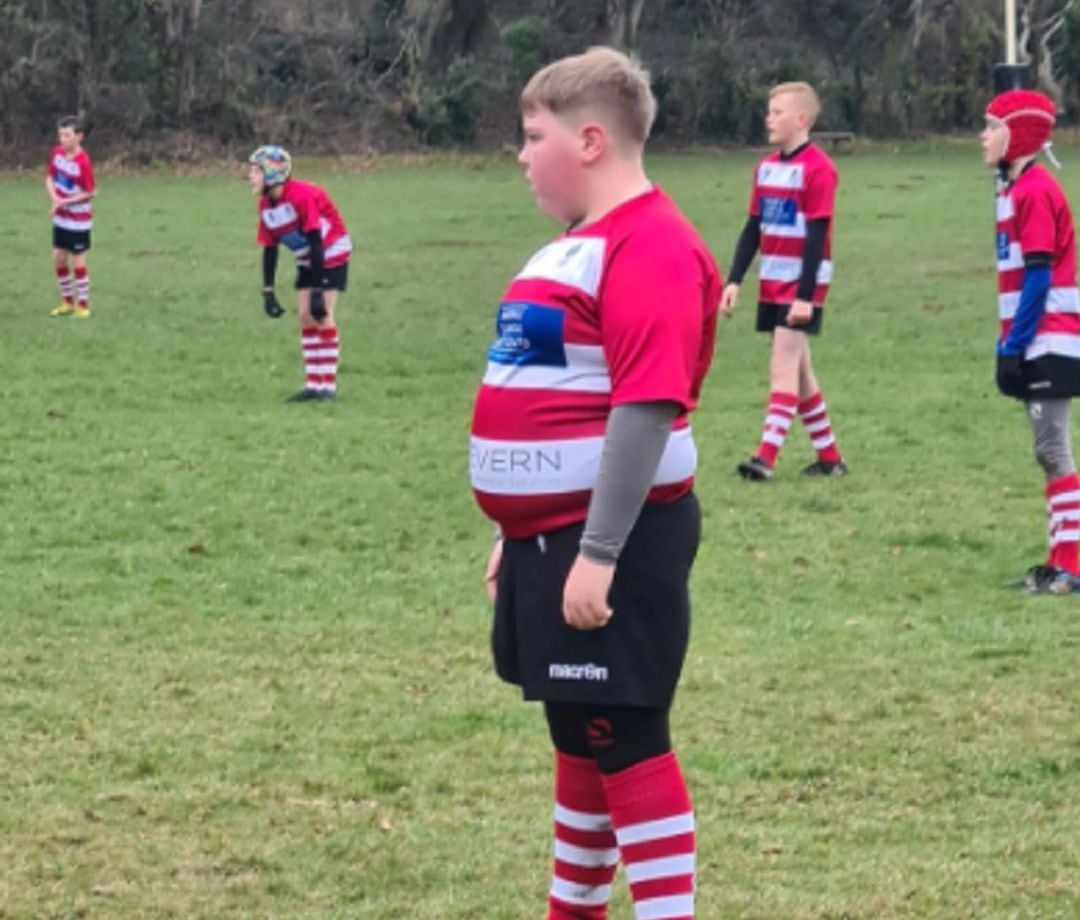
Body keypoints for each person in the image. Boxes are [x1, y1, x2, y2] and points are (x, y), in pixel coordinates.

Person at [469, 47, 720, 919]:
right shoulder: (579, 246)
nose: (521, 154)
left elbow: (646, 411)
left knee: (624, 735)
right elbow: (554, 398)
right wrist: (513, 531)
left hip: (610, 540)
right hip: (553, 541)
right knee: (577, 732)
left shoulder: (650, 243)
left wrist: (599, 551)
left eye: (531, 136)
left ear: (587, 141)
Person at [720, 82, 847, 480]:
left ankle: (766, 457)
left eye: (777, 112)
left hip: (800, 284)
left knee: (783, 363)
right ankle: (830, 459)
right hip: (773, 281)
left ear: (802, 119)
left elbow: (816, 236)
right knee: (801, 372)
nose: (768, 119)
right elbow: (753, 226)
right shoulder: (767, 168)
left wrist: (806, 296)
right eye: (769, 111)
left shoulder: (819, 169)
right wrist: (735, 279)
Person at [983, 90, 1080, 594]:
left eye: (991, 126)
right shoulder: (1012, 190)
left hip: (1049, 339)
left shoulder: (1034, 192)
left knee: (1052, 449)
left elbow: (1039, 278)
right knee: (1048, 451)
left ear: (1016, 135)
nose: (982, 136)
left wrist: (1012, 346)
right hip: (1033, 340)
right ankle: (1058, 560)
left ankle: (1072, 567)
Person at [248, 146, 352, 402]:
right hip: (308, 257)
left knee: (322, 314)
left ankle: (327, 387)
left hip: (330, 251)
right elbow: (269, 248)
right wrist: (268, 291)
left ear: (273, 174)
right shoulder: (266, 205)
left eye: (255, 171)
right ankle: (312, 384)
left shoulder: (301, 196)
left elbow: (317, 240)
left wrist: (318, 288)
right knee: (306, 317)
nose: (250, 176)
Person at [47, 116, 96, 318]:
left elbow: (90, 192)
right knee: (58, 258)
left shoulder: (83, 162)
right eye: (60, 135)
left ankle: (83, 305)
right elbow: (49, 177)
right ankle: (67, 302)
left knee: (78, 261)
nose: (62, 139)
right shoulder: (56, 154)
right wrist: (55, 198)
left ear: (79, 137)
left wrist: (65, 202)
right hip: (61, 218)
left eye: (67, 135)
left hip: (79, 220)